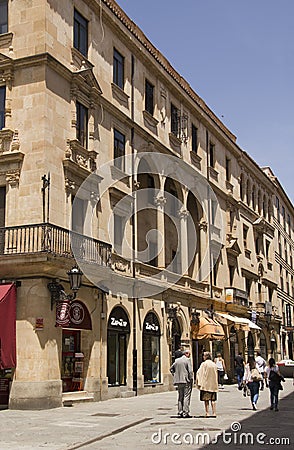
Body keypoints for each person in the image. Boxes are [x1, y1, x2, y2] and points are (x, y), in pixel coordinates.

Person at [170, 348, 193, 418]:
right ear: (187, 354)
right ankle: (185, 412)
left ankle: (180, 411)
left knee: (180, 396)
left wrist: (175, 375)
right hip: (186, 381)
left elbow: (171, 369)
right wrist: (191, 378)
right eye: (189, 354)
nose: (190, 356)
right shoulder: (187, 360)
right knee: (186, 396)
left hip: (179, 381)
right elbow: (190, 371)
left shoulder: (177, 361)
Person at [196, 351, 218, 417]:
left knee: (206, 400)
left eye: (204, 356)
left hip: (206, 385)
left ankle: (207, 413)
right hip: (213, 384)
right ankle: (214, 413)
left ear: (206, 357)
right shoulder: (214, 364)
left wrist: (199, 383)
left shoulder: (204, 364)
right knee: (213, 400)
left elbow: (199, 373)